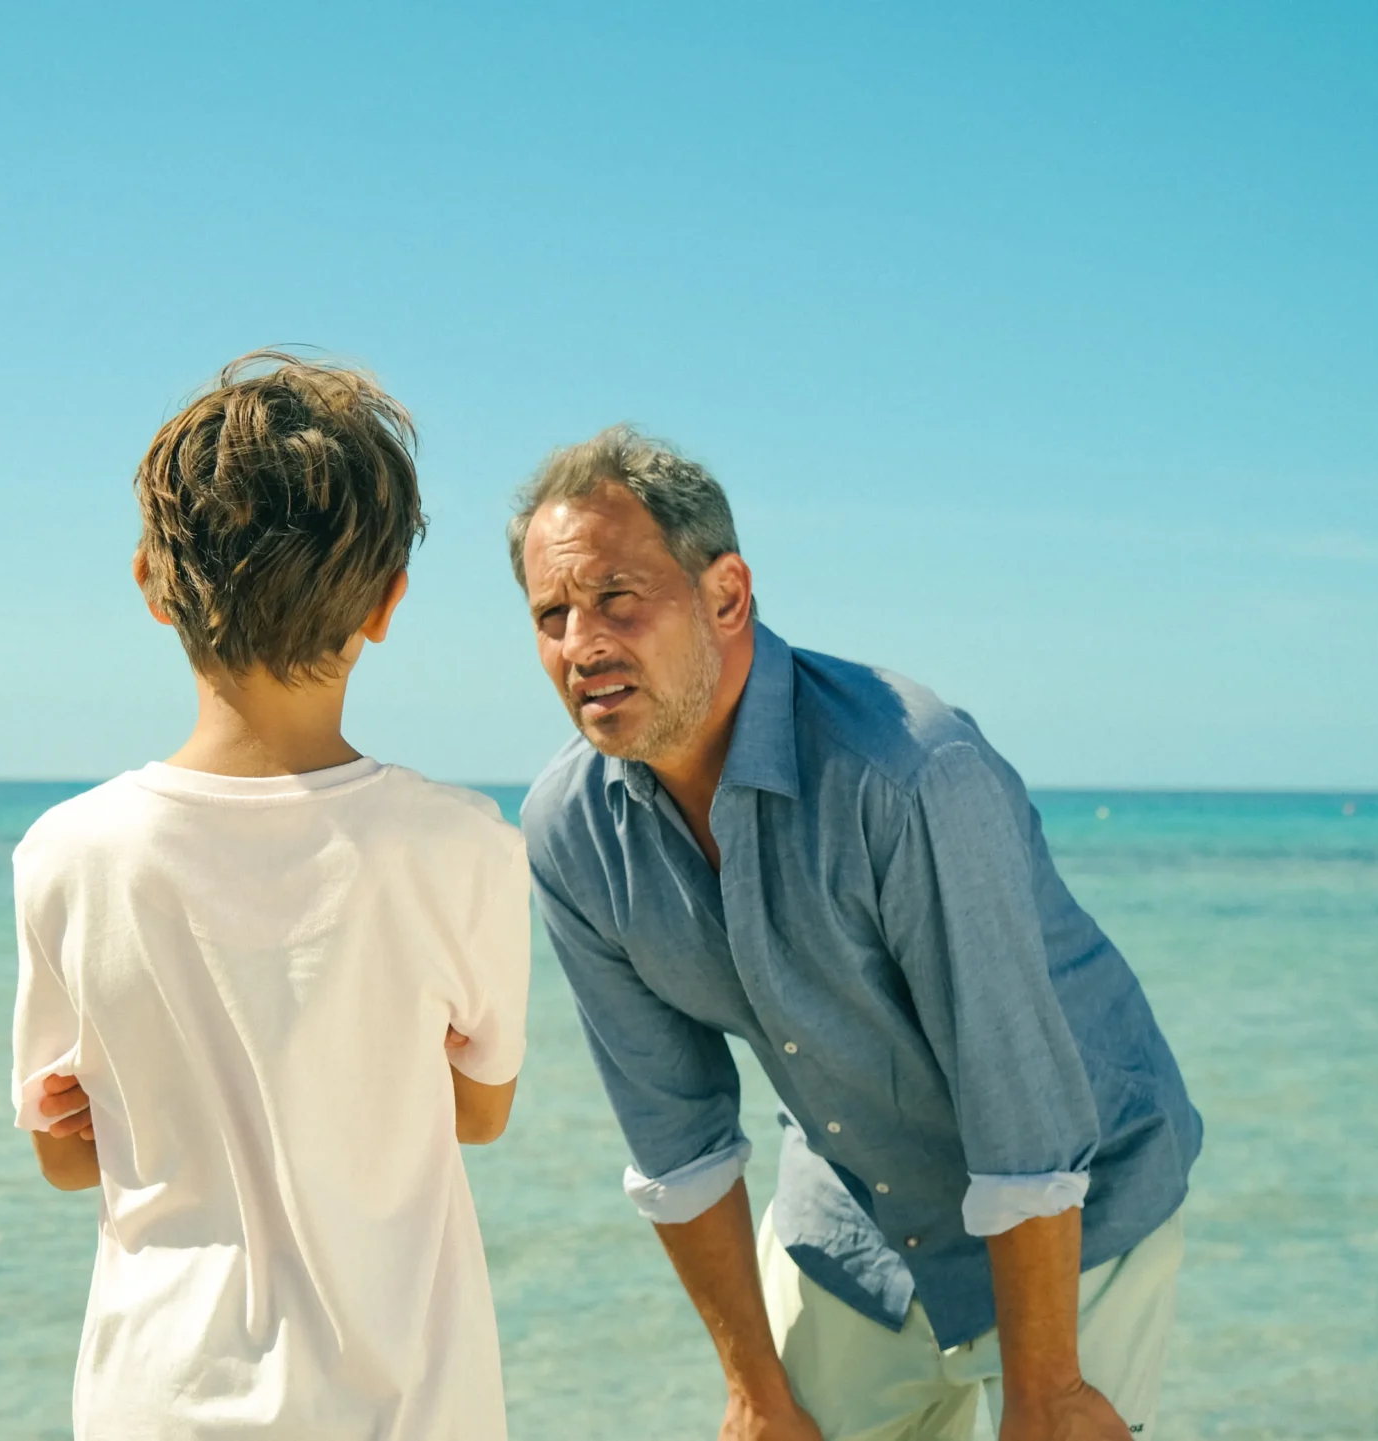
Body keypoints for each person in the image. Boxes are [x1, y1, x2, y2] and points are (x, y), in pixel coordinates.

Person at [511, 426, 1202, 1441]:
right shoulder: (568, 832)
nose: (581, 644)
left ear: (727, 595)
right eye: (551, 613)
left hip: (1077, 1203)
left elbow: (1022, 1108)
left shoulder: (909, 772)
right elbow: (677, 1139)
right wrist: (754, 1391)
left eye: (618, 597)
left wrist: (1047, 1391)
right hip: (852, 1216)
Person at [10, 352, 531, 1441]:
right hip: (406, 1406)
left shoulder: (69, 852)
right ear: (387, 602)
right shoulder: (462, 845)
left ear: (153, 582)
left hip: (158, 1400)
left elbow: (64, 1151)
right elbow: (479, 1111)